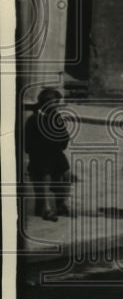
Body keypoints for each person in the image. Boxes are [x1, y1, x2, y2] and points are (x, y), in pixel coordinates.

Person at [23, 88, 72, 221]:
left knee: (66, 174)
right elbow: (27, 144)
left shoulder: (56, 116)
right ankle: (46, 209)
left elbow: (64, 135)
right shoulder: (34, 119)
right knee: (44, 175)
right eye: (55, 102)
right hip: (39, 155)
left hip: (55, 152)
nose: (57, 105)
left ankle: (61, 204)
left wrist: (60, 143)